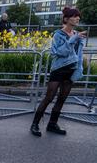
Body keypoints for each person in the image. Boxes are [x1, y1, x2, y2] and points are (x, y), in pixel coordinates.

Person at [31, 7, 86, 137]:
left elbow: (78, 54)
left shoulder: (76, 34)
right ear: (66, 19)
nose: (78, 18)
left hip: (71, 70)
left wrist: (79, 68)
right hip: (59, 69)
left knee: (62, 98)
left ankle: (52, 124)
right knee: (49, 98)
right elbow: (58, 52)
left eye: (78, 16)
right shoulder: (58, 34)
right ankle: (34, 124)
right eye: (74, 16)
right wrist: (73, 40)